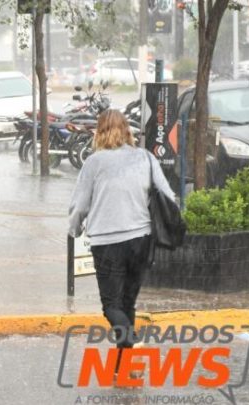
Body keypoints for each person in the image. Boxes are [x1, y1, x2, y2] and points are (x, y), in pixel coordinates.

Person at [67, 109, 176, 378]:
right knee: (127, 302)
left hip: (107, 243)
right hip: (141, 240)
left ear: (100, 132)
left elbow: (80, 204)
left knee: (111, 305)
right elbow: (168, 195)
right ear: (127, 130)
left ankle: (130, 338)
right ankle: (124, 367)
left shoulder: (94, 162)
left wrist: (73, 228)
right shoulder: (145, 158)